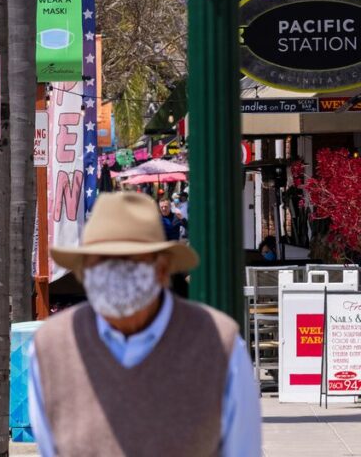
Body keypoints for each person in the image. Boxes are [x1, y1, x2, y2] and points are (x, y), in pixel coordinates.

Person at [28, 192, 261, 457]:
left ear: (161, 269)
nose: (115, 273)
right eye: (101, 262)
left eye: (129, 261)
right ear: (83, 273)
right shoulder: (52, 348)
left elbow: (243, 450)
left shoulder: (220, 344)